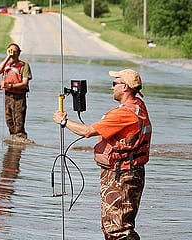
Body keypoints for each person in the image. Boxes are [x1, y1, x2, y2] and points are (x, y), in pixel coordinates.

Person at [53, 69, 152, 240]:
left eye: (115, 83)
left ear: (126, 87)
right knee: (115, 227)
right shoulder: (137, 106)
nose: (111, 87)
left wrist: (63, 121)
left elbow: (87, 131)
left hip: (122, 176)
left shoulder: (124, 113)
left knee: (117, 230)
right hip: (126, 173)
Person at [0, 43, 33, 144]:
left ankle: (20, 138)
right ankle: (12, 140)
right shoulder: (6, 64)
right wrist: (8, 57)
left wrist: (10, 86)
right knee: (9, 119)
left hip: (19, 96)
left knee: (18, 119)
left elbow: (25, 83)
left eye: (15, 51)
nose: (13, 53)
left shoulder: (24, 66)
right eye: (11, 50)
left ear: (19, 53)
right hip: (8, 95)